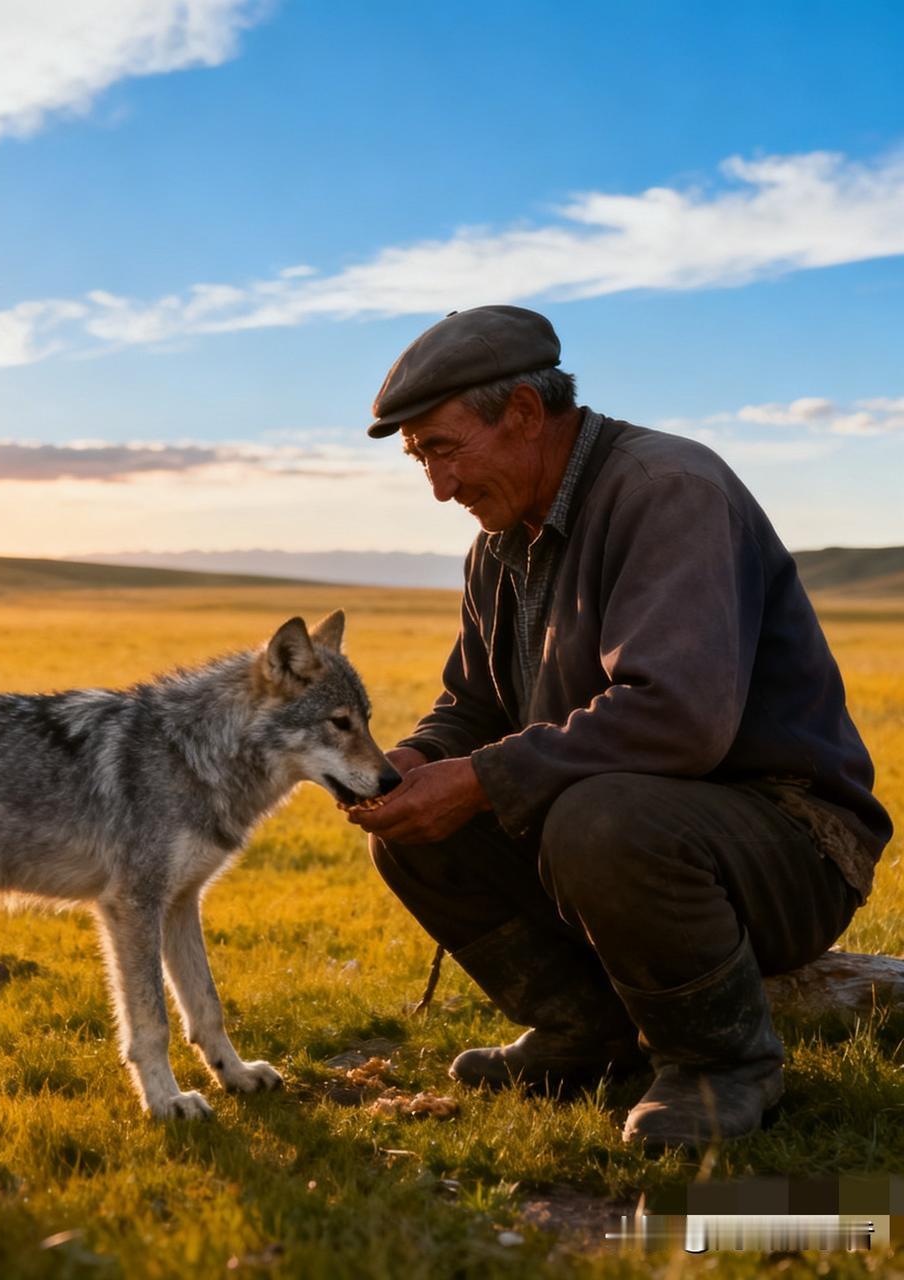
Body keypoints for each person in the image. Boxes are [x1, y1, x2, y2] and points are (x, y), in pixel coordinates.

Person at [347, 305, 893, 1152]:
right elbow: (473, 706)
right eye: (422, 459)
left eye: (446, 449)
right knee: (417, 833)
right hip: (636, 833)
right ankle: (589, 1034)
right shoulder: (501, 542)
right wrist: (404, 766)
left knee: (599, 818)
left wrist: (481, 779)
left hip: (789, 840)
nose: (440, 487)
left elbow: (678, 719)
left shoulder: (667, 491)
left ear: (524, 413)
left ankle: (722, 1065)